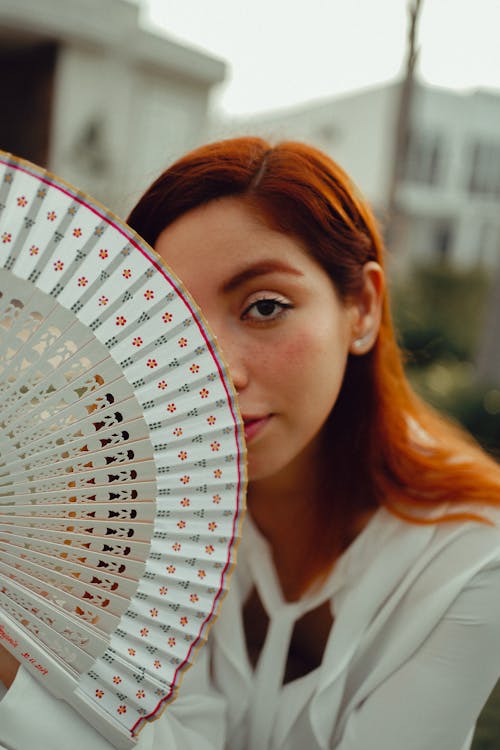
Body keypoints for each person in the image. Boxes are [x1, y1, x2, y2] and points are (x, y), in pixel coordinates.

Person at [1, 136, 500, 750]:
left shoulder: (468, 561)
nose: (214, 371)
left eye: (265, 307)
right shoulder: (129, 514)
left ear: (363, 308)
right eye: (170, 322)